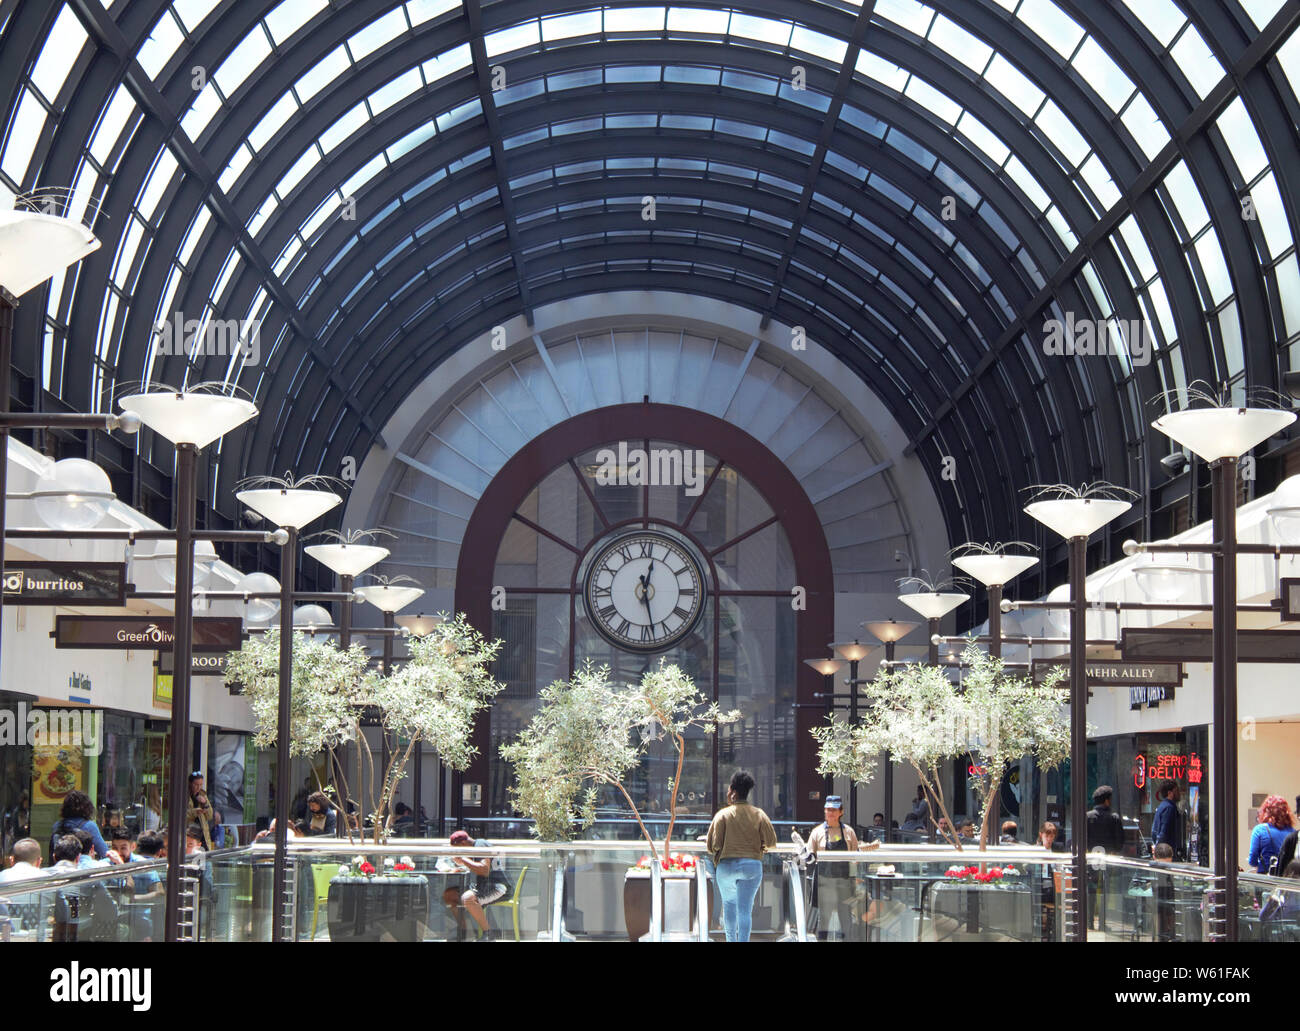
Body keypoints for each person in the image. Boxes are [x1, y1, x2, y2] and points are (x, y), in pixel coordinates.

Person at [706, 770, 777, 942]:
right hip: (752, 867)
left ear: (732, 791)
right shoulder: (758, 814)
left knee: (729, 906)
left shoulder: (723, 815)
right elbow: (771, 842)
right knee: (745, 910)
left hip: (726, 867)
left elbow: (712, 846)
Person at [444, 829, 510, 940]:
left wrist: (464, 859)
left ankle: (488, 933)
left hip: (498, 887)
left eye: (457, 849)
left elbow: (484, 870)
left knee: (468, 898)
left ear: (463, 843)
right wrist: (463, 862)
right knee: (450, 895)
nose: (458, 852)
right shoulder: (476, 846)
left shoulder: (481, 845)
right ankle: (463, 931)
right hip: (483, 885)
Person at [49, 790, 110, 860]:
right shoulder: (89, 826)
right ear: (88, 808)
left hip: (59, 867)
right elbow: (105, 853)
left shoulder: (57, 825)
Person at [1248, 795, 1296, 874]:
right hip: (1286, 879)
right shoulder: (1293, 832)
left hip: (1266, 878)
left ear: (1265, 811)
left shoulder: (1259, 830)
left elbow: (1252, 861)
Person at [1086, 785, 1125, 854]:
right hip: (1109, 859)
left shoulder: (1086, 817)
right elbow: (1119, 842)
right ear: (1106, 801)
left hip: (1090, 858)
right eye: (1110, 799)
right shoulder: (1114, 818)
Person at [1150, 780, 1183, 859]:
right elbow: (1164, 832)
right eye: (1176, 790)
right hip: (1166, 854)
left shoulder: (1162, 806)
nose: (1179, 793)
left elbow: (1154, 832)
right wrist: (1161, 851)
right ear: (1170, 793)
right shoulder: (1169, 808)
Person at [187, 773, 221, 849]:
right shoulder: (185, 796)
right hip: (189, 833)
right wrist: (195, 812)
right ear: (190, 783)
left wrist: (205, 803)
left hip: (202, 833)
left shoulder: (202, 794)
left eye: (200, 785)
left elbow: (210, 816)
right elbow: (181, 815)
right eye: (196, 784)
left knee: (203, 856)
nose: (198, 787)